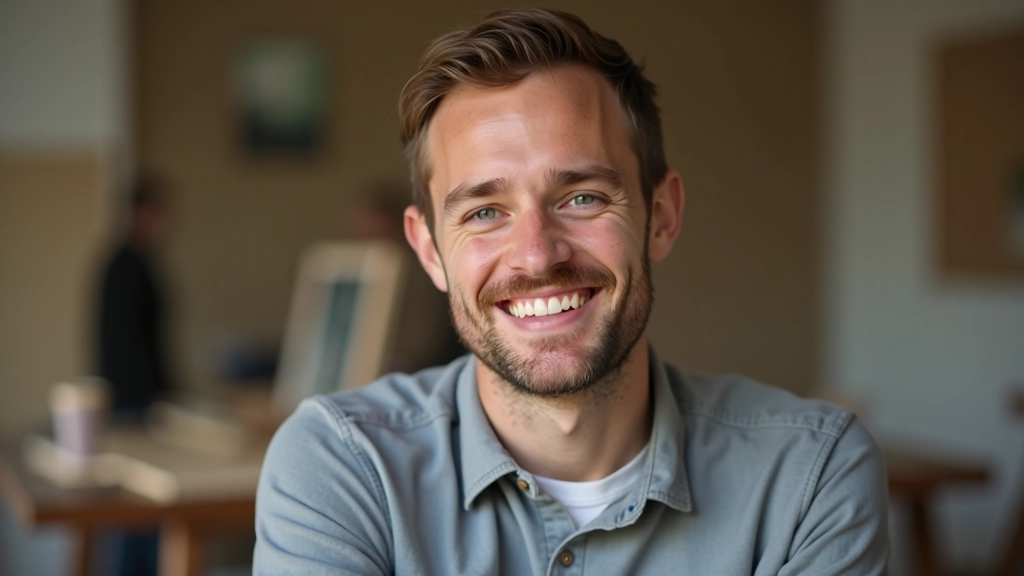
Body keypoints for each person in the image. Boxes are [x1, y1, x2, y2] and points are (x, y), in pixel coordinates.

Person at [254, 9, 889, 575]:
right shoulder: (344, 468)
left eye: (581, 197)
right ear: (429, 251)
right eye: (484, 212)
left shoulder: (810, 475)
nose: (537, 254)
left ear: (661, 216)